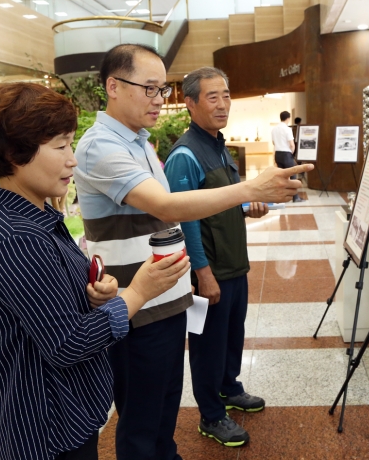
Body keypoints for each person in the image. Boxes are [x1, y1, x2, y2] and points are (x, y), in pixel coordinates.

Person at [73, 44, 312, 460]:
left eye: (161, 89)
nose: (157, 99)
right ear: (113, 86)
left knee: (164, 407)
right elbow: (167, 207)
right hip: (136, 304)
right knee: (142, 419)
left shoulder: (140, 142)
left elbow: (169, 216)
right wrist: (251, 189)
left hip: (164, 297)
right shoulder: (100, 146)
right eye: (148, 89)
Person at [0, 82, 191, 460]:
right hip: (46, 426)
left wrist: (94, 296)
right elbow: (67, 343)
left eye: (70, 144)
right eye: (59, 146)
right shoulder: (16, 237)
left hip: (62, 412)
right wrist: (138, 293)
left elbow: (45, 309)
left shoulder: (35, 217)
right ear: (12, 154)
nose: (72, 160)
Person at [165, 67, 266, 448]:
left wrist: (245, 208)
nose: (223, 104)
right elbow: (184, 218)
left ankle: (229, 388)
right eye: (212, 97)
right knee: (207, 343)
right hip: (210, 269)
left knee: (232, 334)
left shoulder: (218, 144)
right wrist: (201, 272)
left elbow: (219, 202)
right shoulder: (185, 155)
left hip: (233, 264)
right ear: (190, 104)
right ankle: (210, 415)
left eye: (226, 95)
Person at [272, 110, 303, 202]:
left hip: (278, 154)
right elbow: (292, 144)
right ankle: (295, 197)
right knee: (293, 175)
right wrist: (292, 154)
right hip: (286, 154)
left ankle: (282, 196)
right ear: (288, 118)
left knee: (282, 176)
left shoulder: (274, 129)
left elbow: (273, 143)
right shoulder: (287, 129)